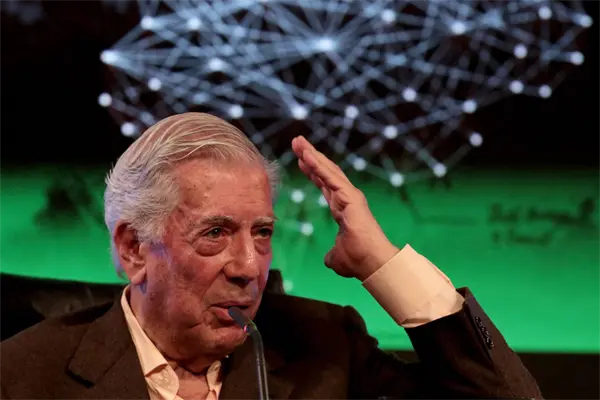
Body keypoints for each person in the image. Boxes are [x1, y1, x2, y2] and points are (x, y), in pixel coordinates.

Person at [0, 113, 543, 400]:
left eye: (261, 233)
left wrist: (381, 261)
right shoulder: (23, 375)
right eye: (215, 233)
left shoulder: (324, 351)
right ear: (133, 247)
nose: (248, 267)